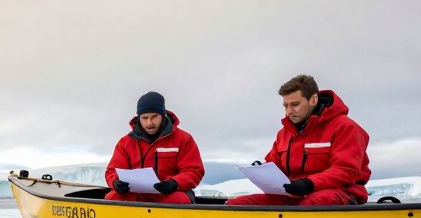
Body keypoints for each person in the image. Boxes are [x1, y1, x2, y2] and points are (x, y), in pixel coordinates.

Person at [227, 75, 371, 206]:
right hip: (294, 195)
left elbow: (346, 171)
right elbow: (275, 165)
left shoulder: (346, 128)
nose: (289, 111)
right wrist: (261, 169)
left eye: (295, 104)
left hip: (341, 192)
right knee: (238, 204)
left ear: (313, 100)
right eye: (285, 105)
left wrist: (309, 183)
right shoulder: (284, 133)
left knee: (312, 204)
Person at [104, 91, 204, 204]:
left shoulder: (183, 139)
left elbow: (194, 170)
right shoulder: (125, 142)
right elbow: (112, 171)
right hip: (136, 196)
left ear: (163, 114)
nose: (149, 123)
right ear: (138, 118)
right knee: (112, 198)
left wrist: (175, 183)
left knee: (179, 200)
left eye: (154, 117)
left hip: (168, 194)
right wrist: (115, 182)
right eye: (144, 118)